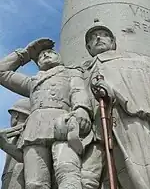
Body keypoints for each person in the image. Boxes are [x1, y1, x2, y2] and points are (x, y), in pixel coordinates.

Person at [0, 38, 92, 189]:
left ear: (60, 59)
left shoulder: (71, 73)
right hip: (34, 130)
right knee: (35, 182)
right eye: (41, 55)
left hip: (63, 125)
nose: (46, 55)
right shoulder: (33, 82)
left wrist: (82, 109)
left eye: (51, 52)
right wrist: (27, 53)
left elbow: (78, 91)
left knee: (67, 172)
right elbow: (2, 72)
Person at [82, 19, 150, 189]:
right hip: (99, 131)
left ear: (113, 42)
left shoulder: (136, 61)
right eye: (93, 38)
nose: (98, 38)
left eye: (104, 35)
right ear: (88, 48)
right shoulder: (83, 72)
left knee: (139, 173)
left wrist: (113, 92)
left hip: (132, 121)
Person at [0, 98, 30, 189]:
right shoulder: (13, 135)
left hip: (17, 179)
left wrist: (4, 145)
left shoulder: (26, 132)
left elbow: (24, 157)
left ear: (16, 115)